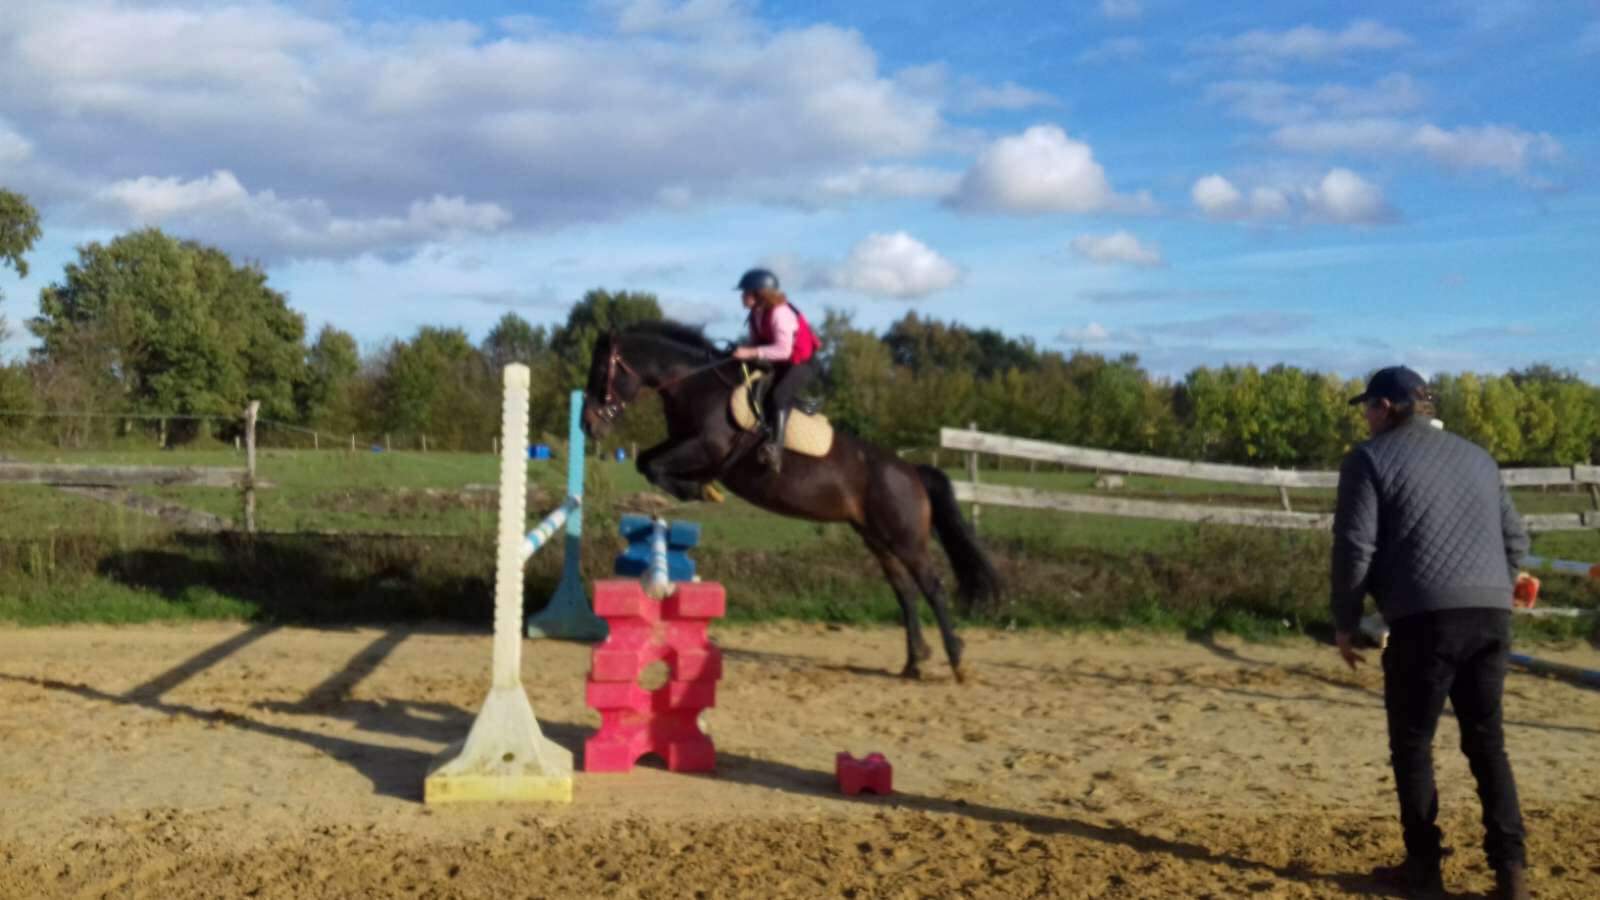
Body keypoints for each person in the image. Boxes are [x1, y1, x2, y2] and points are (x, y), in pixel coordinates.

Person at [1331, 365, 1529, 900]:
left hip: (1423, 620)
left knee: (1413, 744)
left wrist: (1346, 621)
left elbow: (1355, 548)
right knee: (1487, 743)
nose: (1365, 418)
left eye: (1368, 407)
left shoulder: (1368, 459)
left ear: (1385, 407)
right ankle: (1511, 872)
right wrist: (1493, 588)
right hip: (1491, 616)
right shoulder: (1479, 458)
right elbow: (1516, 541)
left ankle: (1424, 869)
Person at [730, 268, 820, 473]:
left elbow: (783, 350)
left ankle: (775, 448)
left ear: (759, 293)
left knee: (779, 396)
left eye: (745, 292)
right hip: (781, 362)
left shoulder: (780, 313)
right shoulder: (756, 314)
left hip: (802, 363)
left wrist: (750, 352)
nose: (742, 296)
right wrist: (741, 352)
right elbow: (757, 345)